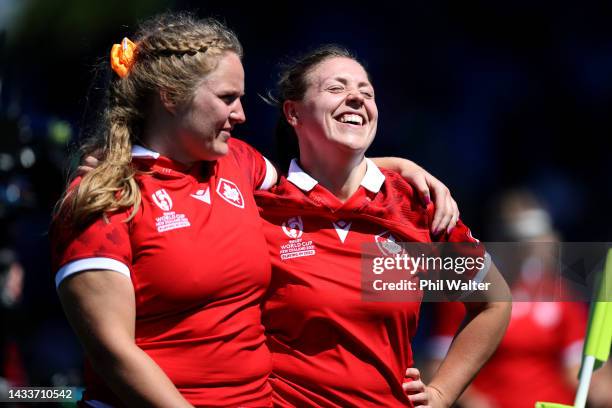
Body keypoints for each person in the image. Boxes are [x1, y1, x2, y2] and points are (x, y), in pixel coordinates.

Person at [52, 13, 461, 408]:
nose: (241, 115)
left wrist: (400, 169)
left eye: (241, 99)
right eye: (227, 98)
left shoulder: (240, 165)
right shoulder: (104, 197)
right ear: (171, 97)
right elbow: (112, 351)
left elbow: (495, 298)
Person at [254, 45, 512, 407]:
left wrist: (441, 394)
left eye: (367, 91)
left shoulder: (416, 206)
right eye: (336, 88)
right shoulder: (259, 205)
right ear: (293, 113)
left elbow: (491, 303)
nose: (357, 98)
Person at [426, 190, 588, 408]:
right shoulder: (467, 293)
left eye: (536, 237)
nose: (529, 248)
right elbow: (437, 364)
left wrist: (598, 385)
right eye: (517, 239)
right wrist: (472, 402)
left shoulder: (562, 294)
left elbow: (578, 367)